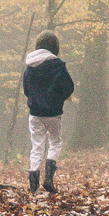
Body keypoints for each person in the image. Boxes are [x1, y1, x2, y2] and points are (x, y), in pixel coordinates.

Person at [22, 29, 74, 193]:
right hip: (53, 113)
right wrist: (59, 98)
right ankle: (49, 178)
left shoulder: (30, 66)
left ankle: (33, 186)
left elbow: (26, 89)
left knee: (36, 147)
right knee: (55, 142)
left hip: (35, 113)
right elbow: (69, 87)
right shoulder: (58, 66)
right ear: (55, 47)